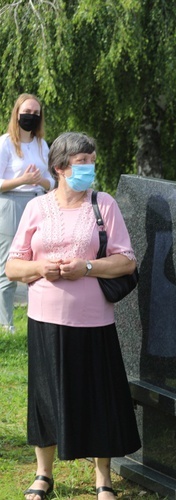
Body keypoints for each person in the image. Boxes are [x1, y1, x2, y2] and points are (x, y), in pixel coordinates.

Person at [7, 132, 141, 500]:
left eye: (92, 162)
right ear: (61, 168)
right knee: (45, 397)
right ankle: (43, 474)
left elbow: (127, 260)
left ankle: (103, 479)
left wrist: (86, 266)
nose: (90, 169)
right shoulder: (37, 208)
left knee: (99, 398)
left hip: (94, 319)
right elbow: (13, 267)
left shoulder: (103, 204)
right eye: (83, 163)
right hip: (46, 319)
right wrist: (40, 268)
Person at [0, 93, 55, 332]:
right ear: (16, 113)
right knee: (8, 265)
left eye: (35, 113)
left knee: (39, 261)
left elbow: (53, 181)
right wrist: (23, 179)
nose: (30, 117)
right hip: (12, 204)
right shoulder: (5, 143)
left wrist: (41, 181)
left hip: (39, 202)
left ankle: (39, 320)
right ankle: (6, 324)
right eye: (26, 112)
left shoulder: (42, 144)